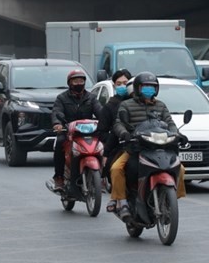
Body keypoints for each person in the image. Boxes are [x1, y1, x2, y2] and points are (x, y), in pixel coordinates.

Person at [110, 71, 187, 222]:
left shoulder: (160, 105)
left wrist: (176, 134)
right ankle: (122, 201)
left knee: (181, 168)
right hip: (136, 147)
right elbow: (118, 123)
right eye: (145, 86)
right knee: (116, 168)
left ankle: (170, 198)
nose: (148, 89)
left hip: (160, 147)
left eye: (152, 87)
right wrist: (125, 134)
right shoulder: (127, 105)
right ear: (138, 88)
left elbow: (170, 122)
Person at [51, 69, 101, 190]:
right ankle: (59, 177)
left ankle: (103, 177)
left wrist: (106, 122)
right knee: (59, 144)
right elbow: (56, 112)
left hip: (89, 132)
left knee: (105, 144)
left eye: (81, 80)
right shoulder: (62, 98)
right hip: (68, 131)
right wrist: (58, 124)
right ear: (69, 83)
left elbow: (100, 112)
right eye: (75, 81)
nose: (78, 83)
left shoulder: (91, 98)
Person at [95, 69, 132, 211]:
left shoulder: (138, 102)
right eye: (119, 83)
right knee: (116, 168)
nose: (123, 85)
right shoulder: (110, 106)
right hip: (118, 145)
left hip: (141, 143)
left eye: (126, 83)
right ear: (114, 85)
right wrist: (116, 137)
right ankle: (119, 199)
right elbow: (102, 132)